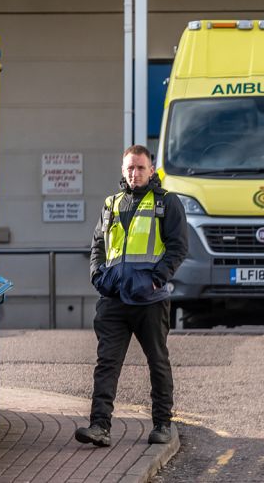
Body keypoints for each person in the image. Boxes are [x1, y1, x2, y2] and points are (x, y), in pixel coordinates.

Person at [75, 145, 188, 448]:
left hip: (149, 300)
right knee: (106, 364)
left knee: (157, 362)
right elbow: (98, 245)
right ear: (122, 170)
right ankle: (99, 426)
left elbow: (178, 247)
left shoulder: (167, 203)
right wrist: (98, 276)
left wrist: (155, 280)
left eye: (140, 168)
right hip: (114, 298)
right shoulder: (111, 204)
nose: (135, 173)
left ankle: (163, 425)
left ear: (152, 170)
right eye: (130, 168)